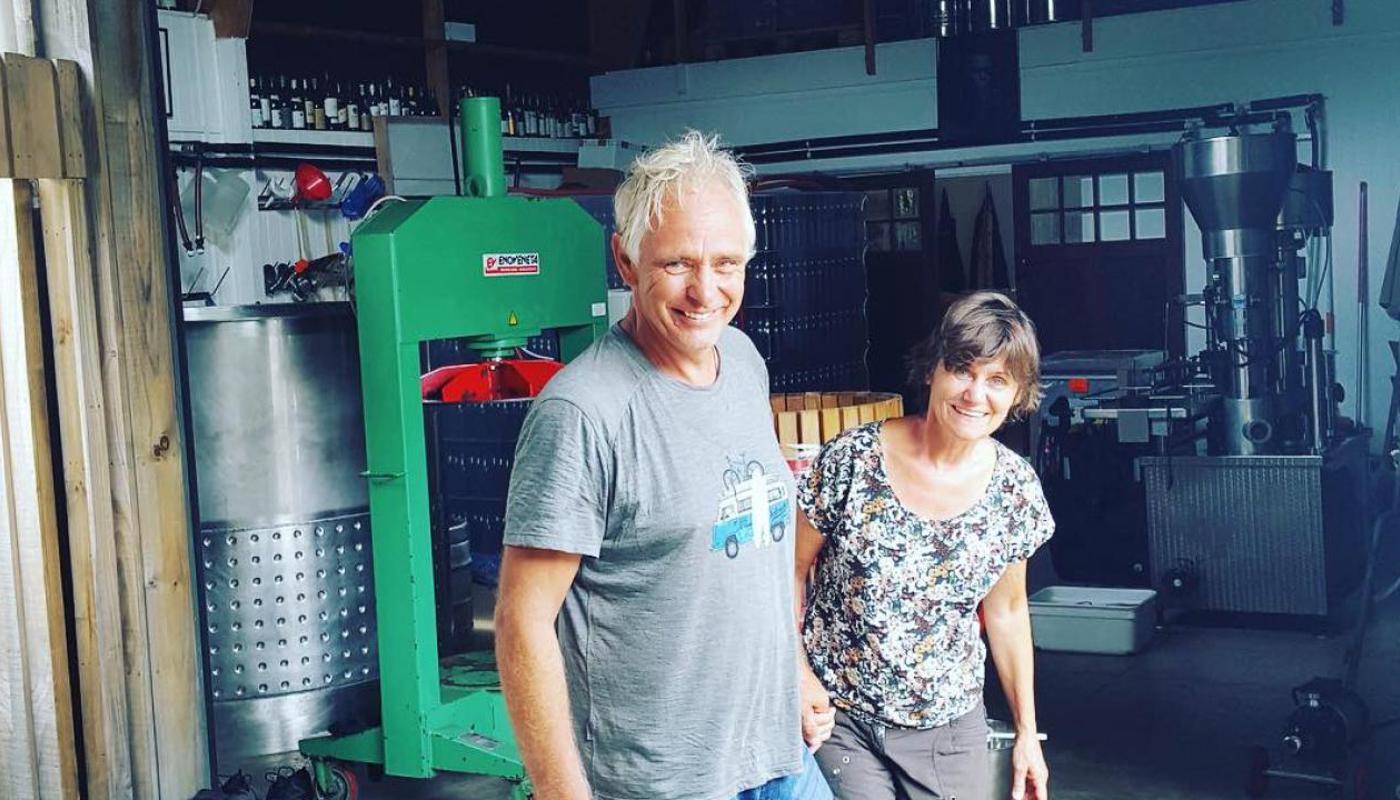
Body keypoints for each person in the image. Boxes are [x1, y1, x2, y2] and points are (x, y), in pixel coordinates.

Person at [496, 131, 826, 800]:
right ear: (625, 260)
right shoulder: (584, 413)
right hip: (663, 780)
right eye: (678, 264)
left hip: (776, 756)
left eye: (727, 263)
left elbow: (750, 548)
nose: (706, 291)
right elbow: (521, 622)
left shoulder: (741, 361)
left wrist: (793, 673)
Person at [794, 291, 1054, 800]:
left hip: (949, 727)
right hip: (839, 719)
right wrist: (798, 677)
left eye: (997, 380)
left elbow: (1006, 613)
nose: (975, 394)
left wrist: (1027, 734)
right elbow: (788, 569)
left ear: (1018, 394)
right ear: (933, 369)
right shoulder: (851, 461)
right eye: (962, 369)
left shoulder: (1014, 492)